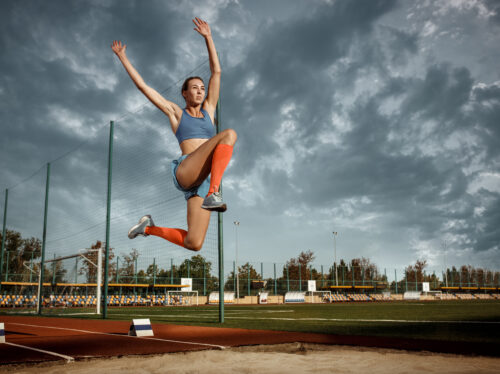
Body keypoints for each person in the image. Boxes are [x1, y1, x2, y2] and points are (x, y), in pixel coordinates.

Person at [111, 17, 236, 251]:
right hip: (187, 170)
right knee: (228, 134)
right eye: (194, 88)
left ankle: (146, 228)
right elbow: (144, 88)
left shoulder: (209, 110)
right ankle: (213, 194)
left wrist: (209, 38)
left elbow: (216, 72)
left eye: (202, 88)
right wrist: (123, 57)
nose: (200, 91)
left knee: (194, 243)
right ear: (185, 93)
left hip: (203, 181)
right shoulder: (176, 113)